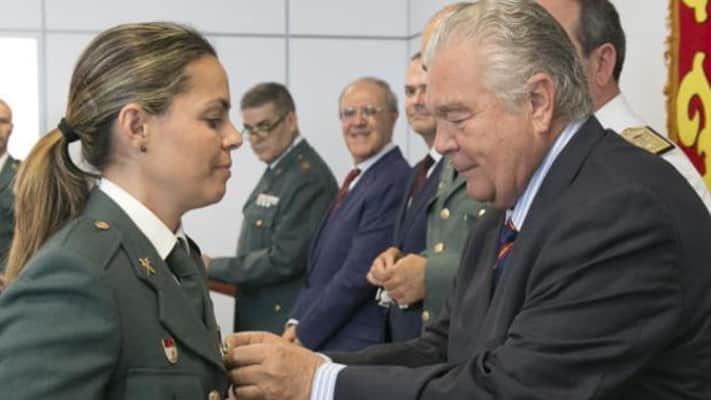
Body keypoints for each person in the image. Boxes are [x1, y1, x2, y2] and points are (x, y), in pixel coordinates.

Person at [224, 1, 711, 399]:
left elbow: (513, 390)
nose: (441, 142)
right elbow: (444, 349)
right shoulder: (506, 210)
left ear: (538, 102)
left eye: (457, 118)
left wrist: (318, 385)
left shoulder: (622, 211)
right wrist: (310, 366)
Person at [0, 22, 241, 399]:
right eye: (213, 119)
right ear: (137, 127)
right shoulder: (78, 274)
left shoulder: (178, 259)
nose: (235, 137)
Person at [537, 0, 711, 212]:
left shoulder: (652, 169)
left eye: (549, 48)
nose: (526, 66)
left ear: (601, 64)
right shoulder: (540, 157)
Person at [282, 77, 411, 352]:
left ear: (393, 116)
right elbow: (320, 271)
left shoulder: (395, 179)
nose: (358, 122)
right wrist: (295, 321)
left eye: (370, 111)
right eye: (349, 113)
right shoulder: (359, 178)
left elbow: (357, 274)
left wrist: (303, 333)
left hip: (352, 346)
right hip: (326, 336)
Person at [369, 50, 488, 342]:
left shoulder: (479, 163)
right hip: (417, 335)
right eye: (410, 92)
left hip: (462, 333)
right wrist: (395, 259)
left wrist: (429, 273)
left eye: (426, 89)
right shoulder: (419, 172)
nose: (418, 100)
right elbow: (430, 244)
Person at [206, 82, 337, 334]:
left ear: (290, 120)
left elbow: (283, 260)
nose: (256, 138)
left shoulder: (307, 178)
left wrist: (213, 266)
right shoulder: (279, 169)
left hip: (279, 323)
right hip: (258, 313)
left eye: (264, 126)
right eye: (249, 129)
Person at [0, 98, 18, 281]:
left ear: (11, 128)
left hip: (9, 281)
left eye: (2, 121)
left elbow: (33, 233)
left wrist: (9, 273)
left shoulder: (27, 176)